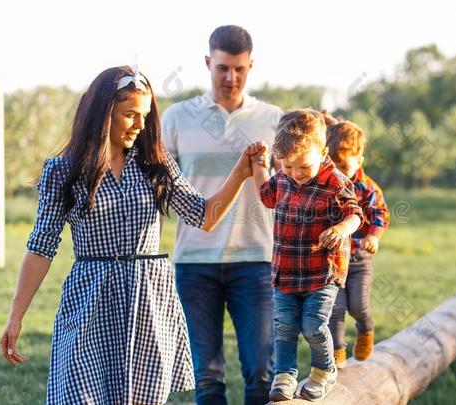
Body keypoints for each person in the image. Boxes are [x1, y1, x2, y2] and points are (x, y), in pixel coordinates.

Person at [0, 65, 257, 405]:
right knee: (80, 394)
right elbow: (42, 246)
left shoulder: (155, 163)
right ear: (103, 113)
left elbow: (203, 216)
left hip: (148, 299)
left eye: (146, 116)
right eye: (130, 115)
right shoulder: (63, 169)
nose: (141, 125)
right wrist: (16, 315)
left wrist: (240, 173)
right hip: (90, 299)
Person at [161, 25, 282, 405]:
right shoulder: (178, 117)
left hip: (256, 260)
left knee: (261, 371)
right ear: (208, 63)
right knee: (208, 377)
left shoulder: (273, 118)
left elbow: (291, 185)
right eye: (223, 68)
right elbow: (160, 188)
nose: (231, 77)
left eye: (240, 69)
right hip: (195, 262)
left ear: (251, 66)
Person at [249, 109, 363, 402]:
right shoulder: (284, 178)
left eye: (303, 167)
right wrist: (260, 166)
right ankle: (285, 374)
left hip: (321, 272)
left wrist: (340, 229)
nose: (296, 174)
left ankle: (324, 371)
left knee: (313, 324)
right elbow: (265, 193)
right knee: (284, 326)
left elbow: (355, 215)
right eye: (288, 167)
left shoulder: (335, 183)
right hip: (285, 271)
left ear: (323, 152)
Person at [326, 121, 390, 369]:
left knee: (358, 305)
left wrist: (373, 236)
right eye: (334, 166)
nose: (340, 172)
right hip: (332, 260)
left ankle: (366, 328)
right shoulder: (327, 185)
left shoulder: (368, 188)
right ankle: (338, 351)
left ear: (359, 160)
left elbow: (380, 213)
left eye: (344, 166)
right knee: (335, 307)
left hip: (359, 259)